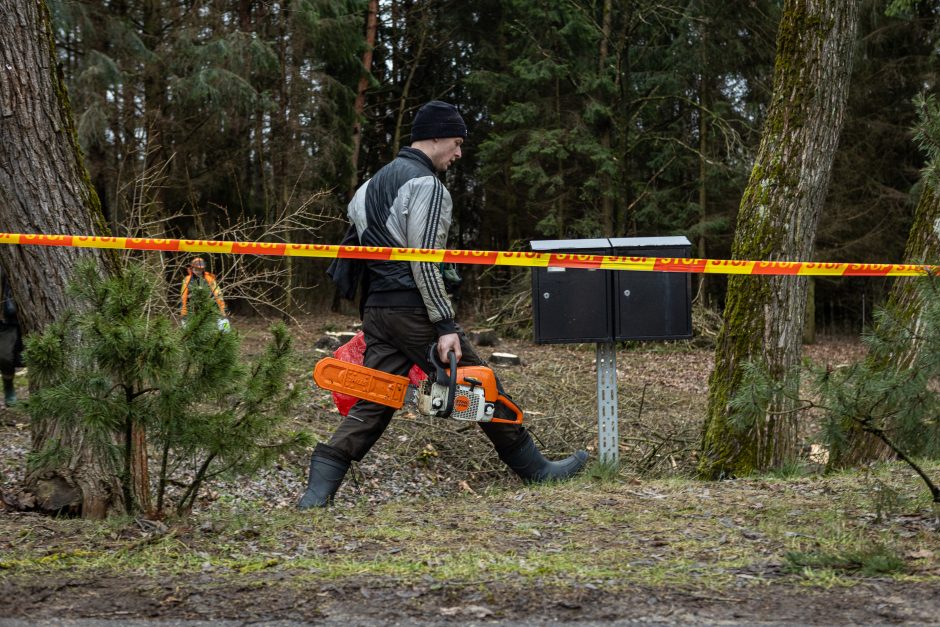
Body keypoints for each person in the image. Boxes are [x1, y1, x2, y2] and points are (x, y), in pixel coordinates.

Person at [298, 100, 587, 509]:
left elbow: (355, 257)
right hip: (414, 310)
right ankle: (536, 470)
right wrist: (445, 323)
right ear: (434, 137)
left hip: (378, 311)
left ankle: (316, 494)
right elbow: (424, 261)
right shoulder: (427, 186)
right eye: (456, 142)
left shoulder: (369, 186)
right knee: (481, 381)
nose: (458, 153)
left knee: (378, 398)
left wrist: (376, 312)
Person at [0, 268, 22, 408]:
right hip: (4, 319)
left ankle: (38, 393)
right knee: (4, 356)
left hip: (25, 314)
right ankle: (8, 385)